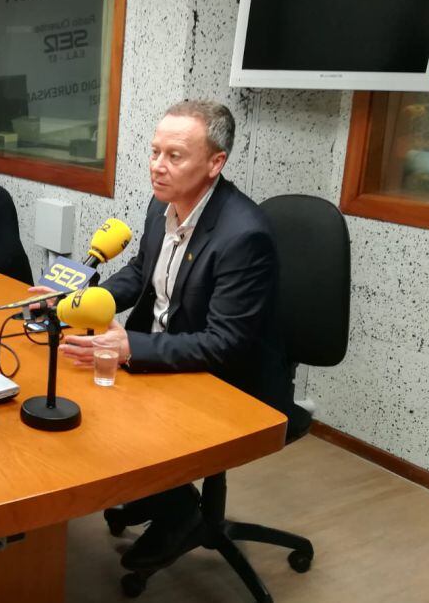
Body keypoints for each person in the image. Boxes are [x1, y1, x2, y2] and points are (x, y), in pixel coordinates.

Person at [41, 100, 291, 571]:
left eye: (175, 156)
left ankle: (180, 511)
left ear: (216, 163)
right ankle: (163, 494)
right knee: (79, 390)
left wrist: (132, 347)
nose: (158, 166)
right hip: (170, 351)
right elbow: (140, 271)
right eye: (154, 151)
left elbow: (225, 344)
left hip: (228, 379)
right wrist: (74, 301)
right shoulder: (165, 203)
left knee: (111, 403)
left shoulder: (244, 235)